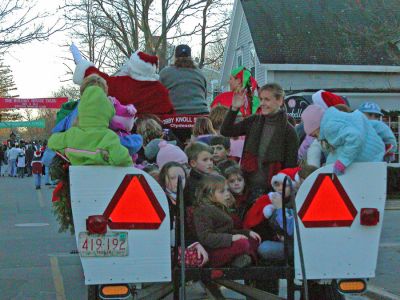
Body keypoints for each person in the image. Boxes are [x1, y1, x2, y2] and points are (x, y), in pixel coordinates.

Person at [220, 83, 299, 196]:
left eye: (267, 99)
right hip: (247, 187)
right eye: (261, 99)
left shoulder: (289, 131)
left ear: (280, 101)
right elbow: (226, 131)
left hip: (273, 191)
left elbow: (290, 168)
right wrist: (234, 108)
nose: (262, 103)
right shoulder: (253, 121)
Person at [48, 74, 132, 166]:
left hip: (76, 177)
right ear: (107, 111)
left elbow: (52, 141)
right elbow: (122, 159)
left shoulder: (71, 133)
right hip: (104, 177)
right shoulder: (109, 137)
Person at [70, 44, 174, 115]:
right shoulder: (160, 90)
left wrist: (80, 61)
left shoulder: (122, 85)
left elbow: (100, 80)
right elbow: (169, 112)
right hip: (155, 133)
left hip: (125, 135)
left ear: (134, 67)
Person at [193, 174, 261, 267]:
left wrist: (246, 233)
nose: (227, 193)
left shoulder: (220, 207)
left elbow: (227, 230)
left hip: (224, 245)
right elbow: (206, 237)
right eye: (222, 191)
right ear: (209, 194)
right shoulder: (203, 210)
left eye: (227, 190)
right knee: (242, 244)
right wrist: (231, 238)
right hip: (212, 251)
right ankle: (234, 261)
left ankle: (239, 259)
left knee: (253, 239)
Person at [301, 105, 385, 175]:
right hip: (375, 152)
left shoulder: (328, 127)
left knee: (332, 161)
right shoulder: (336, 117)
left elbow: (355, 138)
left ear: (316, 126)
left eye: (314, 135)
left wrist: (342, 162)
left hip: (366, 156)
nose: (317, 138)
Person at [158, 162, 209, 267]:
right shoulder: (160, 200)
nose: (178, 181)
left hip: (181, 243)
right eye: (172, 178)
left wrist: (195, 243)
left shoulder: (186, 199)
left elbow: (186, 228)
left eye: (182, 177)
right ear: (163, 179)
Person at [159, 44, 208, 115]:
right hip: (200, 113)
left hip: (173, 114)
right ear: (190, 58)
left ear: (175, 58)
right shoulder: (200, 73)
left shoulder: (165, 72)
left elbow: (159, 95)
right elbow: (204, 94)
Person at [183, 142, 214, 206]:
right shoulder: (192, 183)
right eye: (205, 160)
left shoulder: (210, 178)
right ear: (193, 163)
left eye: (211, 160)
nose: (210, 163)